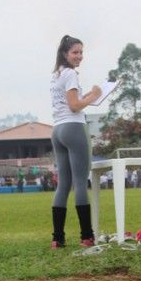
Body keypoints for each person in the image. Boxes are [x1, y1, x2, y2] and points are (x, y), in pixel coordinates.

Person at [49, 34, 101, 249]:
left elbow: (70, 101)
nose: (79, 56)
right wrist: (95, 96)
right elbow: (74, 106)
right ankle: (87, 236)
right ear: (65, 53)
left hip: (58, 129)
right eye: (75, 52)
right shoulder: (70, 74)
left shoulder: (57, 74)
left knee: (63, 185)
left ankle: (57, 238)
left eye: (81, 52)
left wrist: (87, 95)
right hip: (73, 127)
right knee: (80, 182)